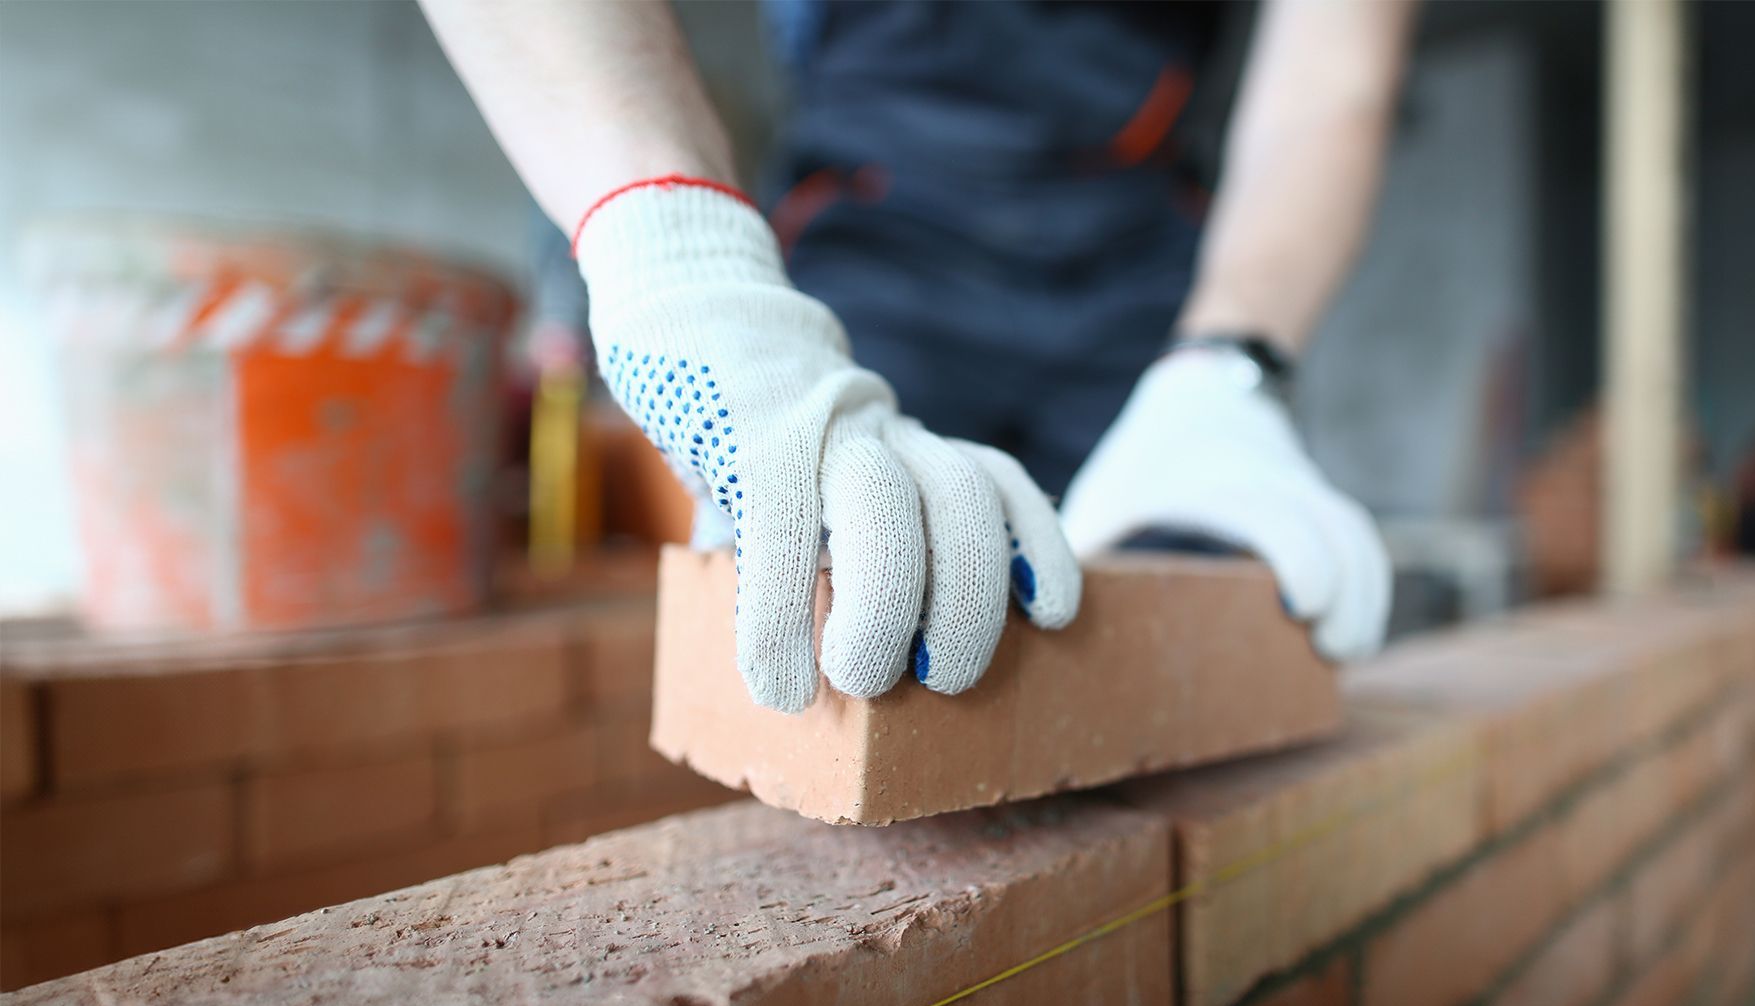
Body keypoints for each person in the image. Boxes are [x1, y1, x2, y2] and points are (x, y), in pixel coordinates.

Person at [424, 0, 1414, 714]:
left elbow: (1332, 78)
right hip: (881, 235)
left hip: (1145, 274)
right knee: (842, 631)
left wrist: (1226, 366)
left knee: (1169, 676)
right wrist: (677, 244)